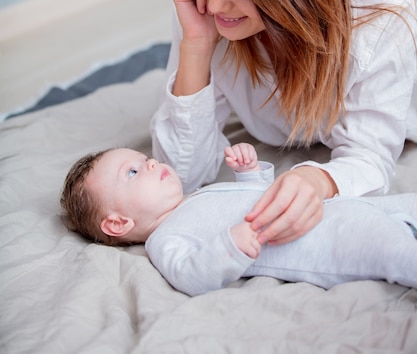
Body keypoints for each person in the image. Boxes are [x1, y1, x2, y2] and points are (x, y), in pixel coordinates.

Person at [150, 0, 417, 246]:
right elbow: (178, 178)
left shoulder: (382, 20)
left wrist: (318, 179)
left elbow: (370, 158)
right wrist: (197, 48)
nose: (219, 3)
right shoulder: (202, 5)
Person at [60, 143, 417, 297]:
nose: (152, 163)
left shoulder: (198, 195)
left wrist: (249, 174)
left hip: (340, 206)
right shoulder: (164, 239)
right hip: (334, 241)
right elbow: (191, 275)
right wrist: (231, 246)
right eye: (134, 171)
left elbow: (257, 199)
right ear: (118, 223)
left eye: (146, 158)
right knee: (398, 252)